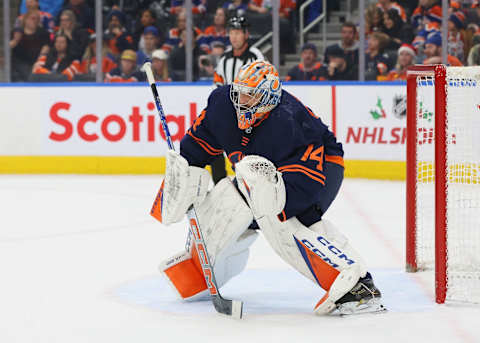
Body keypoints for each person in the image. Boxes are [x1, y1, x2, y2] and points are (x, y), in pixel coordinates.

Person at [154, 60, 385, 316]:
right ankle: (202, 268)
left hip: (321, 168)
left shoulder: (289, 120)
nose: (241, 100)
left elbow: (305, 184)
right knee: (228, 199)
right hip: (260, 175)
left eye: (250, 96)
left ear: (268, 97)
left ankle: (357, 286)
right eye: (239, 92)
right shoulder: (222, 104)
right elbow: (195, 150)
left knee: (277, 217)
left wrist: (271, 205)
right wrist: (183, 180)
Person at [212, 16, 264, 185]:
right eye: (232, 32)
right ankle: (220, 186)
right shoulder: (224, 58)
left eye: (238, 33)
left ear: (246, 34)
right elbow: (218, 86)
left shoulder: (255, 56)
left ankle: (250, 189)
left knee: (245, 158)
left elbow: (265, 84)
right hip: (229, 114)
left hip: (251, 115)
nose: (234, 37)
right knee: (214, 146)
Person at [10, 10, 51, 82]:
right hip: (18, 63)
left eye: (37, 19)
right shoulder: (16, 32)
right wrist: (15, 40)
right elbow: (8, 47)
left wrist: (42, 55)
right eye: (33, 18)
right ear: (26, 19)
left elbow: (47, 47)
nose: (35, 21)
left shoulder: (43, 33)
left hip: (36, 62)